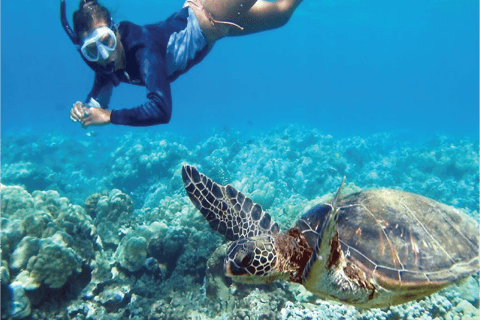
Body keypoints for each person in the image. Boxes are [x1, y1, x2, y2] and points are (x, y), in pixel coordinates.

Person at [65, 0, 303, 127]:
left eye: (106, 41)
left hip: (210, 10)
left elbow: (161, 109)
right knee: (282, 13)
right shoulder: (105, 65)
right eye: (92, 50)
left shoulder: (142, 49)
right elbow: (101, 91)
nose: (104, 55)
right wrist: (87, 108)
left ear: (115, 30)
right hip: (218, 27)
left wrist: (107, 116)